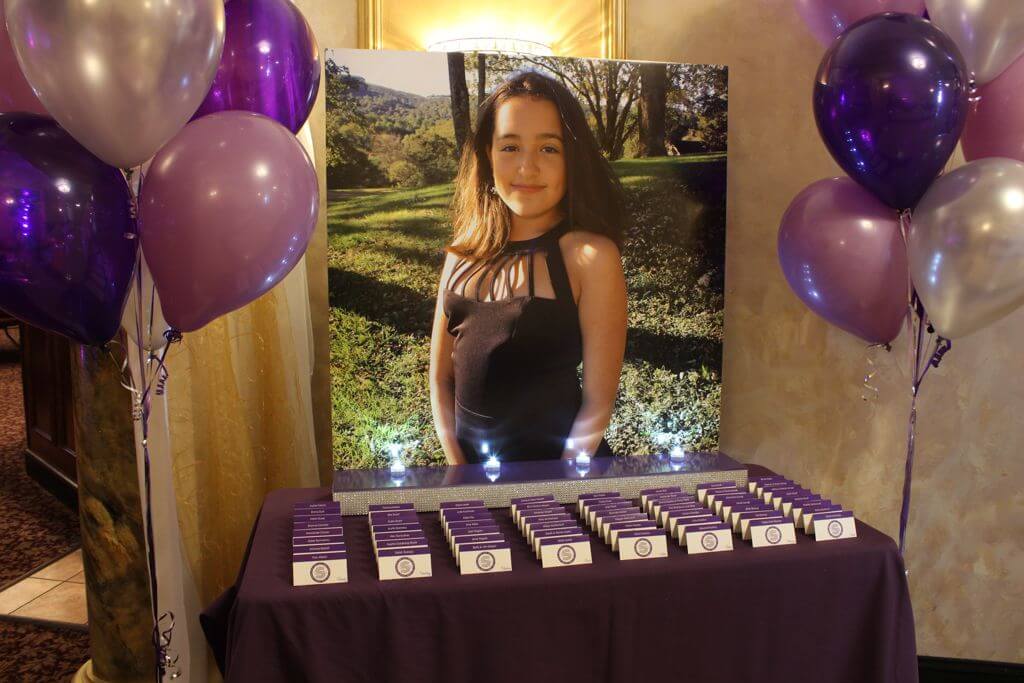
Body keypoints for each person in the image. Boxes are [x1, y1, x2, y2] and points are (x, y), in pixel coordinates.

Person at [429, 70, 627, 465]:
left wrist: (556, 496)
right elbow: (440, 378)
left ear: (573, 158)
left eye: (549, 149)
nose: (527, 168)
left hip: (563, 486)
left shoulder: (589, 257)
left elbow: (597, 403)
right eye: (510, 147)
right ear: (488, 154)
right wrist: (458, 471)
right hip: (470, 481)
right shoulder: (460, 255)